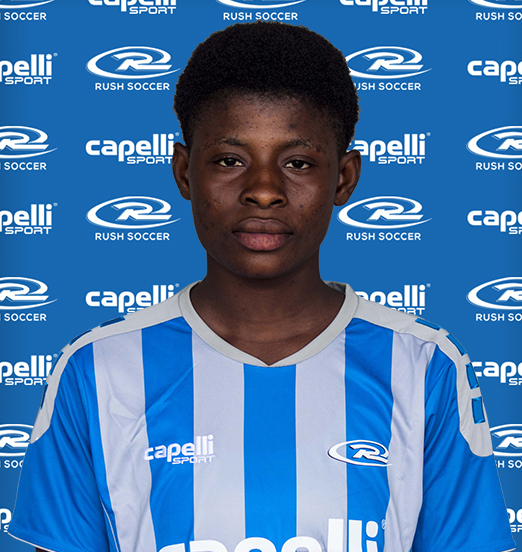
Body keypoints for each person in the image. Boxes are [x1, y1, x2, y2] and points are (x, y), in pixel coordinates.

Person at [9, 21, 514, 552]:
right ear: (184, 173)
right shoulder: (99, 369)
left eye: (297, 163)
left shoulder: (423, 366)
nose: (265, 190)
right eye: (230, 160)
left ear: (343, 178)